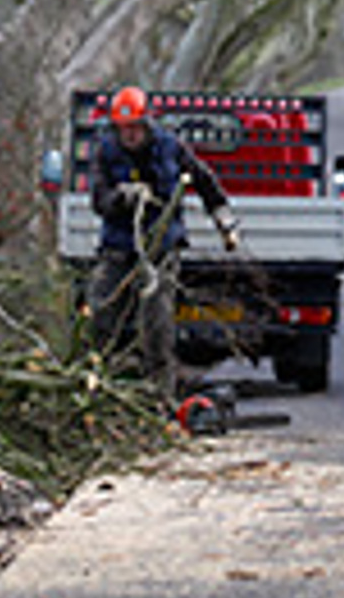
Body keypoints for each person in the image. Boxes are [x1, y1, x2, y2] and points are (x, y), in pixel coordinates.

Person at [88, 85, 240, 402]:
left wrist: (223, 219)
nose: (129, 135)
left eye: (134, 128)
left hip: (160, 249)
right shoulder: (105, 151)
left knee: (156, 321)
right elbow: (99, 199)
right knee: (100, 311)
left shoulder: (170, 147)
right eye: (122, 128)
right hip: (118, 246)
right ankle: (101, 385)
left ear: (146, 123)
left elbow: (204, 180)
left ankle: (161, 396)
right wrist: (122, 197)